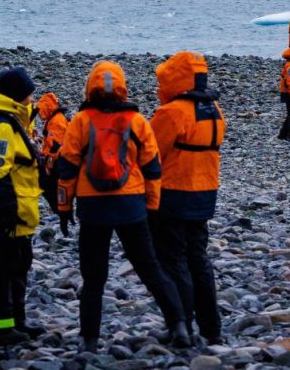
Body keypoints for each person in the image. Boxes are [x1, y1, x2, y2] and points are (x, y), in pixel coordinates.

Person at [55, 60, 189, 353]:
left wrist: (64, 208)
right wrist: (151, 207)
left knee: (93, 277)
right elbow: (153, 169)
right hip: (131, 204)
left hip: (93, 207)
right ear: (122, 87)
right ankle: (179, 325)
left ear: (90, 87)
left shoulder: (80, 121)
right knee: (150, 268)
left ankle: (89, 339)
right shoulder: (136, 121)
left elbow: (66, 169)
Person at [149, 52, 226, 345]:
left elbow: (151, 153)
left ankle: (180, 326)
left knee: (174, 261)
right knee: (199, 259)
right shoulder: (214, 109)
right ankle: (212, 328)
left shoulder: (172, 113)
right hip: (205, 194)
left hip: (172, 194)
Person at [0, 66, 43, 347]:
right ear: (17, 95)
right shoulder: (4, 125)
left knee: (21, 262)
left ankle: (18, 321)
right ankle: (1, 328)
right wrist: (9, 209)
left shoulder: (16, 120)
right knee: (6, 265)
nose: (32, 98)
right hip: (8, 208)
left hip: (21, 206)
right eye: (29, 93)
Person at [35, 92, 68, 213]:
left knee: (48, 185)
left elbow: (55, 146)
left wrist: (48, 163)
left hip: (57, 161)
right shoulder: (55, 119)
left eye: (41, 109)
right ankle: (59, 209)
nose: (39, 113)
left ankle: (59, 210)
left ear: (47, 107)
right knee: (52, 186)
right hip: (58, 160)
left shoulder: (56, 121)